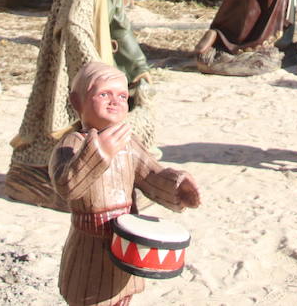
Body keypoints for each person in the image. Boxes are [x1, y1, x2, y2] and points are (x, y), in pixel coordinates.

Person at [8, 0, 156, 207]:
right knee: (73, 115)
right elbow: (74, 23)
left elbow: (118, 22)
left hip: (101, 57)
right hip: (77, 60)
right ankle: (44, 171)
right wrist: (94, 68)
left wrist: (138, 66)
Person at [51, 62, 201, 306]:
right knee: (90, 297)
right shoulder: (72, 144)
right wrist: (100, 152)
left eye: (122, 95)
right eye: (104, 94)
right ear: (77, 102)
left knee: (122, 296)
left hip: (125, 240)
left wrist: (177, 186)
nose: (115, 101)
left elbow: (152, 174)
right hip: (89, 242)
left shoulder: (129, 143)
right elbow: (67, 186)